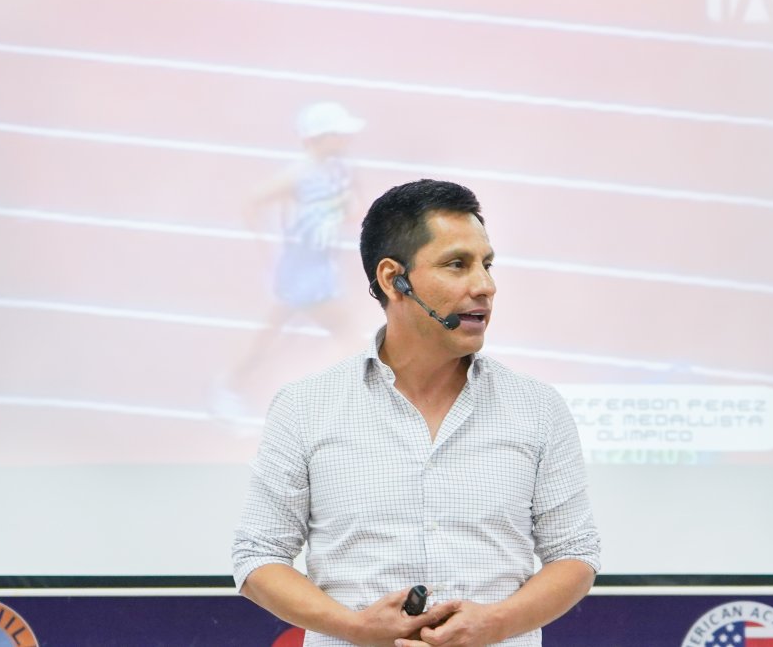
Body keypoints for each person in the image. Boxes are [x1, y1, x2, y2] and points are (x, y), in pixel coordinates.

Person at [232, 179, 601, 646]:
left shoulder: (537, 407)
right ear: (393, 279)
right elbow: (257, 556)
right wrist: (356, 628)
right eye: (457, 265)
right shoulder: (306, 406)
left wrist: (495, 624)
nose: (484, 286)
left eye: (486, 265)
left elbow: (575, 554)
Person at [212, 102, 367, 422]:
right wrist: (267, 250)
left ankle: (229, 387)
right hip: (301, 271)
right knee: (348, 335)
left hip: (321, 268)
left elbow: (351, 209)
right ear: (321, 139)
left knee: (271, 337)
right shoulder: (298, 176)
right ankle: (358, 407)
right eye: (340, 133)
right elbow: (252, 202)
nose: (348, 137)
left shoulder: (341, 169)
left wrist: (347, 208)